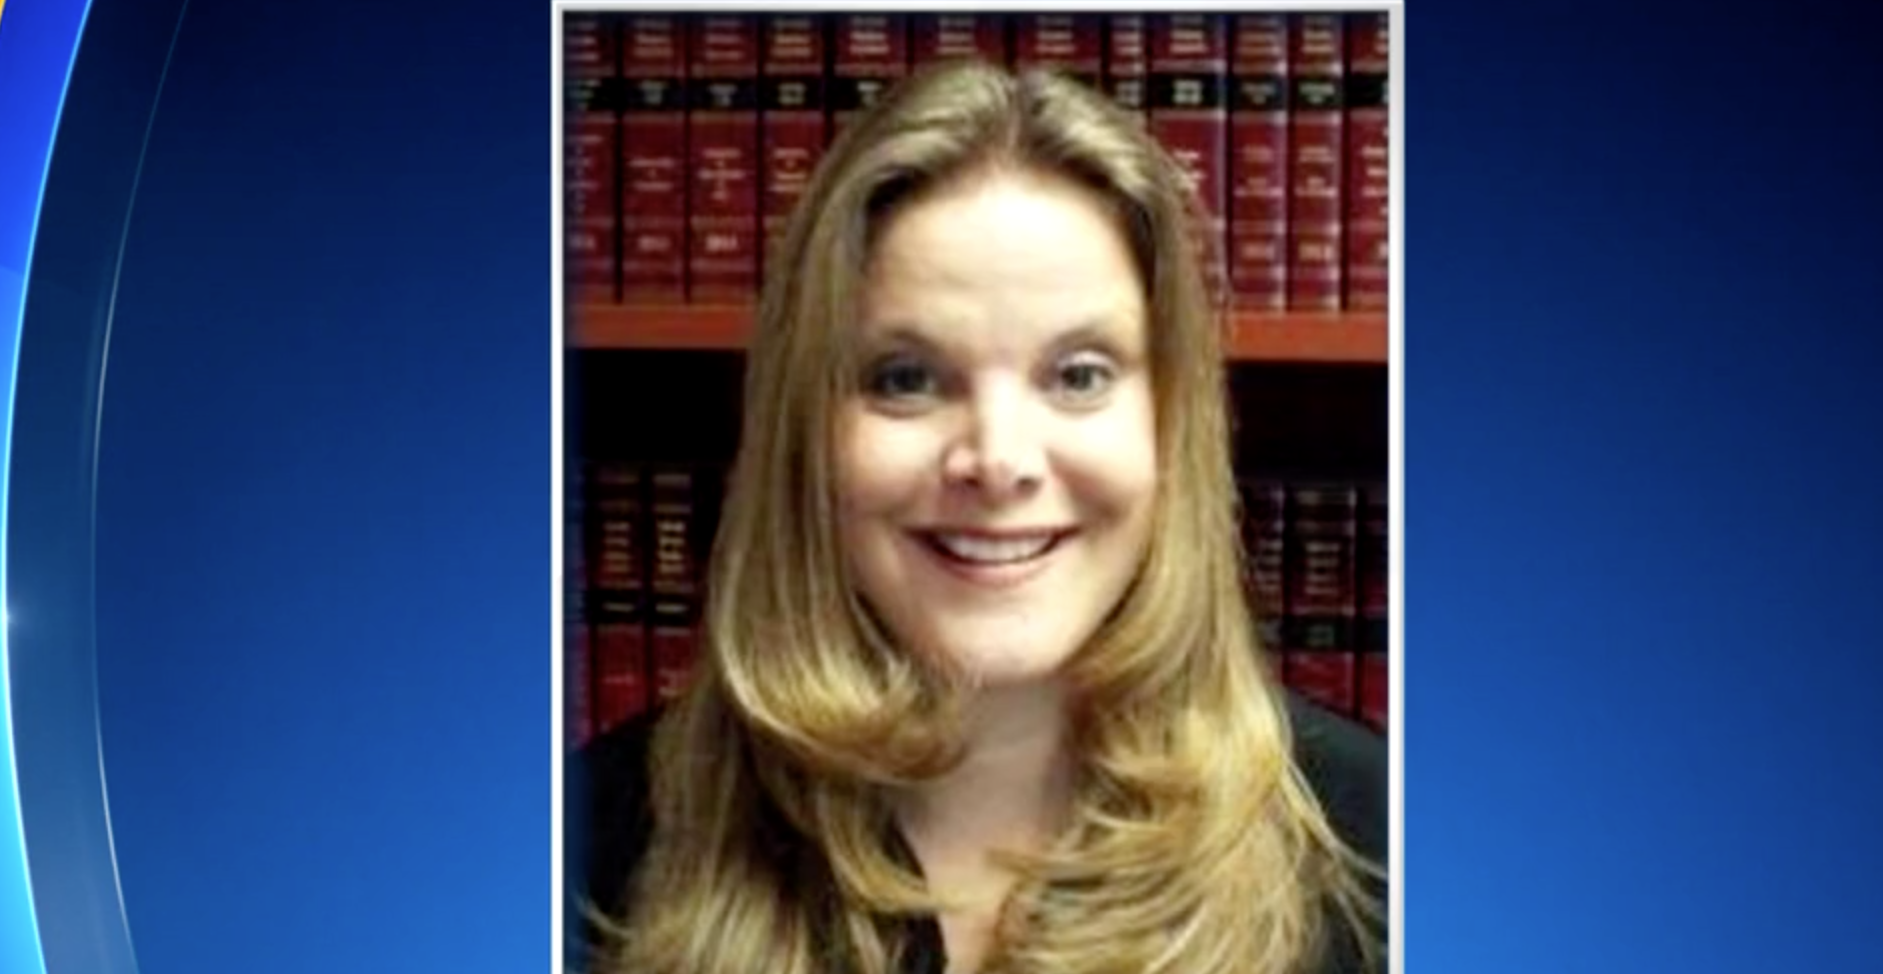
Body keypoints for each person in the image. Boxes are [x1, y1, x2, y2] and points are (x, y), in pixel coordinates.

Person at [572, 58, 1387, 974]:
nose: (999, 461)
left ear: (1169, 423)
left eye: (1078, 375)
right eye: (905, 379)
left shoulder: (1384, 850)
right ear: (806, 432)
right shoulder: (583, 845)